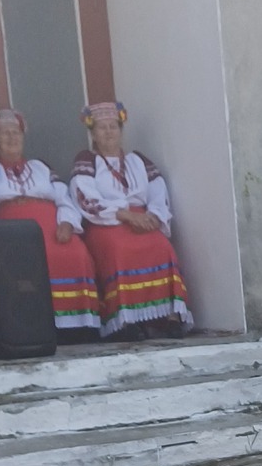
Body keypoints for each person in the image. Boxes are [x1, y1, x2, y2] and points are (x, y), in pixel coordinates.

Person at [69, 101, 192, 339]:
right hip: (106, 222)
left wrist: (154, 215)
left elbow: (158, 190)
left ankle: (169, 317)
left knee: (161, 246)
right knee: (119, 249)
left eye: (113, 127)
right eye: (102, 128)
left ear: (121, 130)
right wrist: (124, 214)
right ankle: (125, 321)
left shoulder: (138, 160)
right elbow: (85, 196)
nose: (108, 132)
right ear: (93, 134)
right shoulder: (87, 160)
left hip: (142, 218)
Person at [0, 110, 100, 334]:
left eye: (16, 133)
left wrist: (67, 223)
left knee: (76, 253)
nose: (12, 138)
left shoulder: (40, 168)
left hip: (52, 228)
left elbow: (63, 198)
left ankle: (77, 327)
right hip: (13, 233)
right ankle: (36, 325)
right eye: (5, 133)